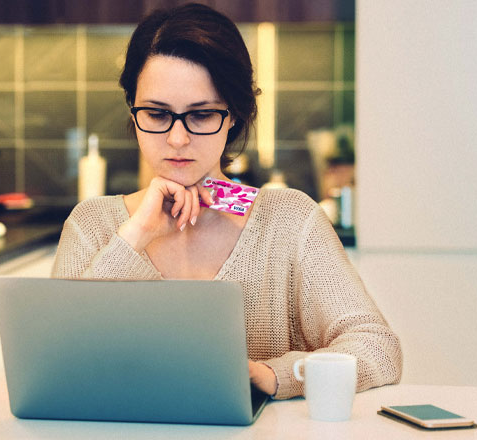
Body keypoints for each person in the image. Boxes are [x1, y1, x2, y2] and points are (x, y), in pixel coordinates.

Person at [52, 3, 402, 400]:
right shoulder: (92, 224)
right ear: (133, 111)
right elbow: (57, 360)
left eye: (200, 115)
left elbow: (378, 348)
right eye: (156, 113)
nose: (178, 139)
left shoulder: (289, 220)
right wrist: (135, 235)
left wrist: (274, 376)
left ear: (233, 114)